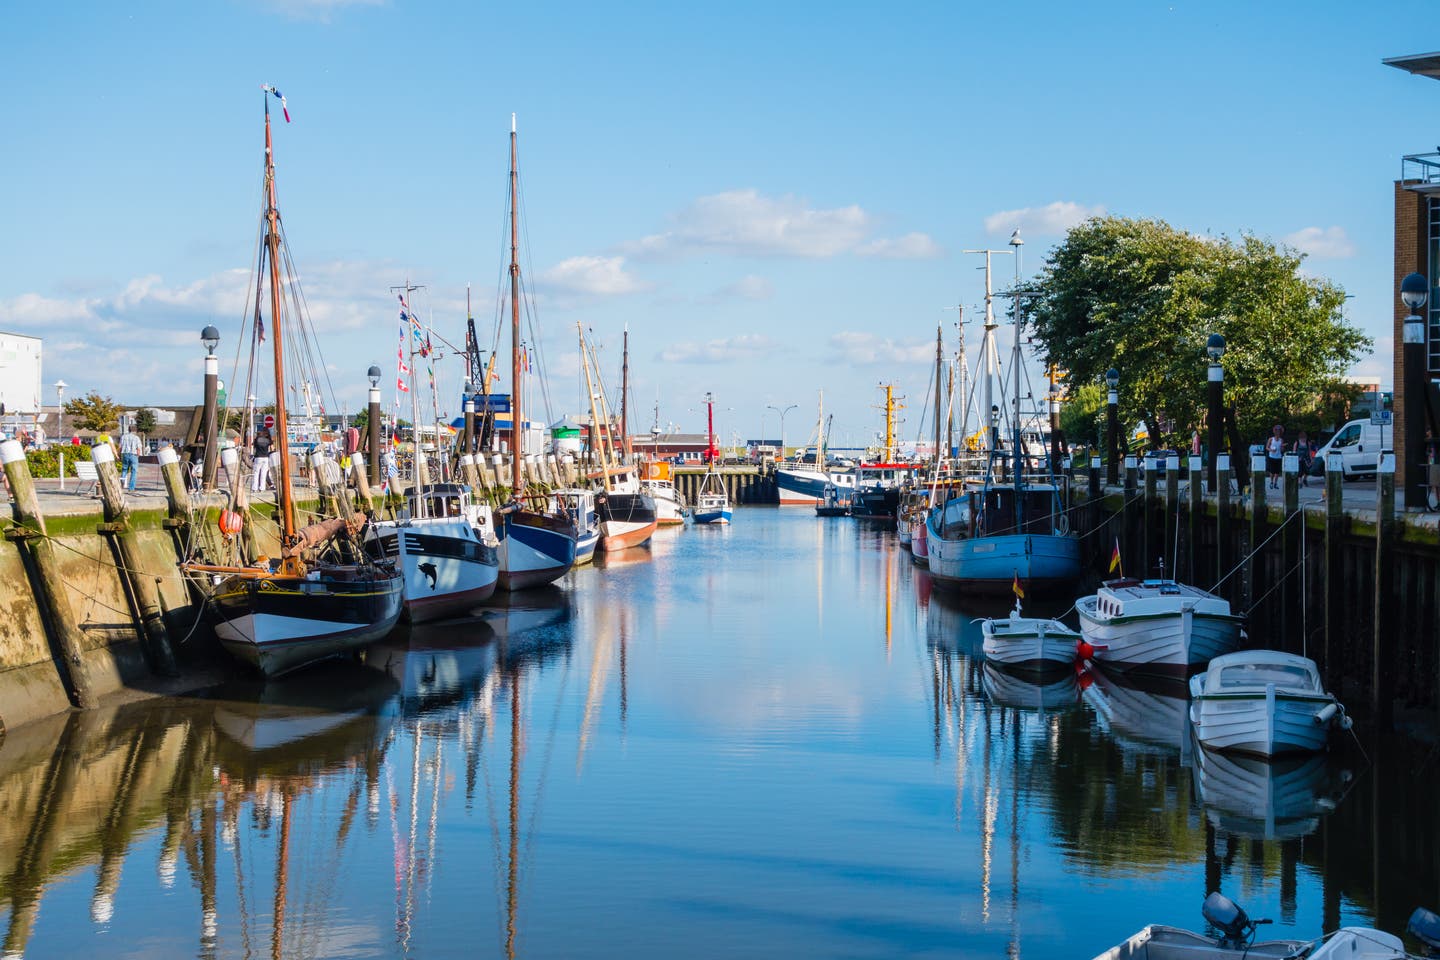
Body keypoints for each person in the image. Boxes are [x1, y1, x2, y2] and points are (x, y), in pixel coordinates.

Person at [118, 427, 142, 491]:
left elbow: (120, 447)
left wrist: (119, 455)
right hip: (133, 455)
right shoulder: (136, 438)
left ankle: (121, 485)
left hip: (125, 454)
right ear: (135, 431)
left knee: (124, 469)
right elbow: (138, 448)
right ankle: (131, 488)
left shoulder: (123, 437)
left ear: (128, 430)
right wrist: (138, 455)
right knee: (134, 471)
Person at [1264, 424, 1285, 489]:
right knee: (1272, 471)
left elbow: (1282, 450)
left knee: (1277, 472)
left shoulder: (1281, 440)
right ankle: (1271, 482)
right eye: (1277, 431)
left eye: (1279, 431)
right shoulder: (1271, 439)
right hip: (1272, 456)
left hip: (1278, 457)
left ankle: (1275, 483)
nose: (1278, 433)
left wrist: (1282, 447)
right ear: (1275, 432)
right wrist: (1271, 450)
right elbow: (1267, 447)